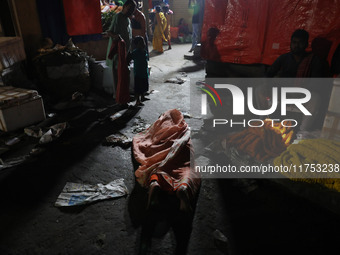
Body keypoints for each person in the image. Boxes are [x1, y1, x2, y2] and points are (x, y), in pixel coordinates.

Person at [259, 29, 330, 131]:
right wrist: (266, 85)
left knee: (316, 98)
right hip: (283, 93)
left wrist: (300, 93)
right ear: (291, 43)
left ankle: (303, 131)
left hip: (303, 95)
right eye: (294, 42)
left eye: (300, 43)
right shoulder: (284, 58)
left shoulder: (313, 60)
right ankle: (263, 122)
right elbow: (268, 74)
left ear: (306, 44)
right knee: (259, 90)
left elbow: (316, 84)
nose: (296, 45)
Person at [105, 0, 136, 104]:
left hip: (126, 51)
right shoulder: (118, 17)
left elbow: (128, 36)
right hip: (118, 51)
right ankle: (118, 97)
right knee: (118, 76)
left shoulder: (128, 18)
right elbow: (109, 32)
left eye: (133, 9)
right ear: (125, 6)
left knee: (125, 74)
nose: (131, 11)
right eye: (130, 8)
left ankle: (124, 95)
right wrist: (116, 37)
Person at [127, 36, 149, 106]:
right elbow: (129, 58)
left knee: (144, 86)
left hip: (144, 72)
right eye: (141, 43)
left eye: (143, 42)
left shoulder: (144, 51)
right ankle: (137, 101)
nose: (143, 44)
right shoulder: (135, 52)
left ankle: (142, 97)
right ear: (137, 44)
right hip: (138, 73)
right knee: (138, 87)